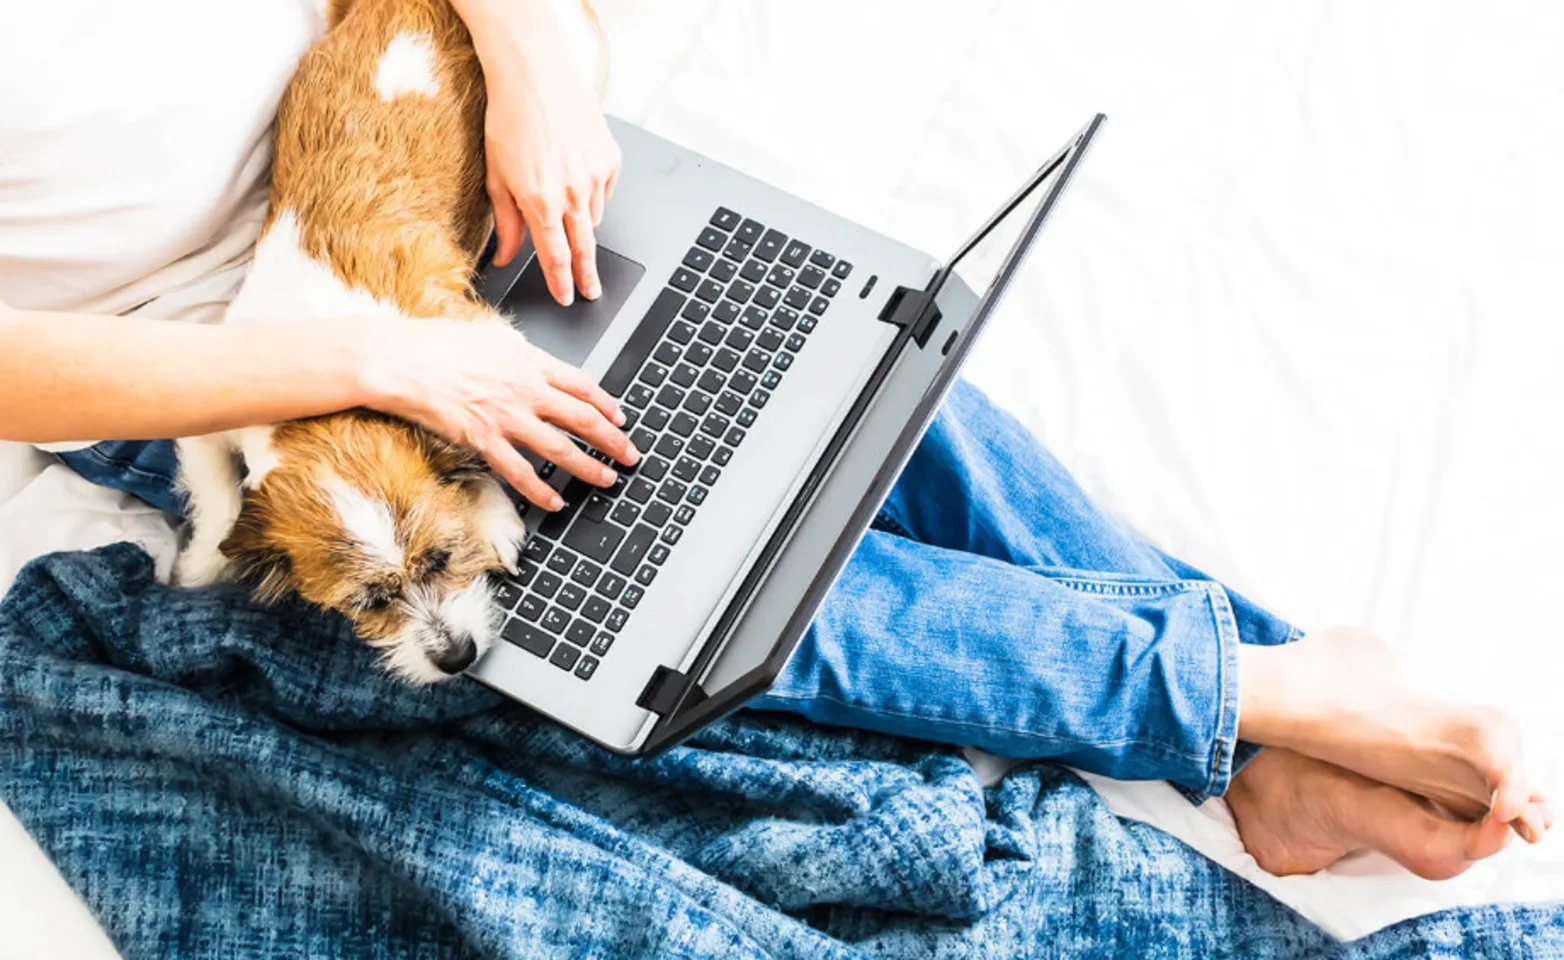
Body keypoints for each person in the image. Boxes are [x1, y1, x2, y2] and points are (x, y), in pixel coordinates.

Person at [0, 0, 1549, 885]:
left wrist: (531, 60)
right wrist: (372, 355)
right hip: (209, 371)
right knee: (700, 566)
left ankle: (1257, 750)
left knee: (844, 373)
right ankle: (1254, 693)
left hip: (415, 149)